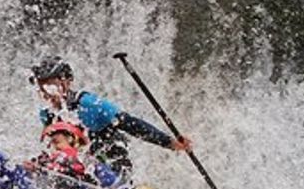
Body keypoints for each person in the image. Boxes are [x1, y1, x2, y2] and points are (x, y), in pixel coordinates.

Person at [29, 57, 191, 181]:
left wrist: (169, 142)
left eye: (49, 86)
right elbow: (57, 148)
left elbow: (131, 124)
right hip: (83, 166)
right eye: (41, 88)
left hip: (112, 163)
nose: (45, 93)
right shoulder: (48, 114)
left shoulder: (89, 104)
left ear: (66, 82)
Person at [25, 119, 135, 189]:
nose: (53, 148)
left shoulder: (87, 162)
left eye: (57, 142)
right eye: (50, 144)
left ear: (73, 140)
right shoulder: (42, 160)